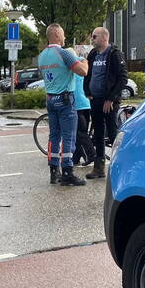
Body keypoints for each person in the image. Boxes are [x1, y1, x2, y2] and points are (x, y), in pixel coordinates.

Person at [38, 23, 88, 186]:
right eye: (64, 35)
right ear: (58, 35)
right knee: (68, 136)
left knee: (54, 135)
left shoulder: (42, 56)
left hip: (50, 99)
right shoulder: (64, 53)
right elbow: (82, 71)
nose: (65, 38)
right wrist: (84, 60)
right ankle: (67, 171)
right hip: (65, 100)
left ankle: (54, 170)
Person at [83, 27, 127, 179]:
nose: (92, 39)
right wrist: (87, 92)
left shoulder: (114, 54)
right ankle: (99, 168)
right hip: (95, 99)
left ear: (103, 37)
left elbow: (122, 79)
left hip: (109, 101)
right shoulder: (93, 54)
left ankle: (119, 167)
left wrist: (111, 99)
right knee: (98, 134)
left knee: (113, 133)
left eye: (94, 36)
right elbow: (87, 74)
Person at [72, 67, 96, 167]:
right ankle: (75, 158)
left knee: (80, 133)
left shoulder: (71, 68)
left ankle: (91, 155)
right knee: (81, 132)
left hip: (77, 105)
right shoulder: (82, 66)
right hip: (86, 103)